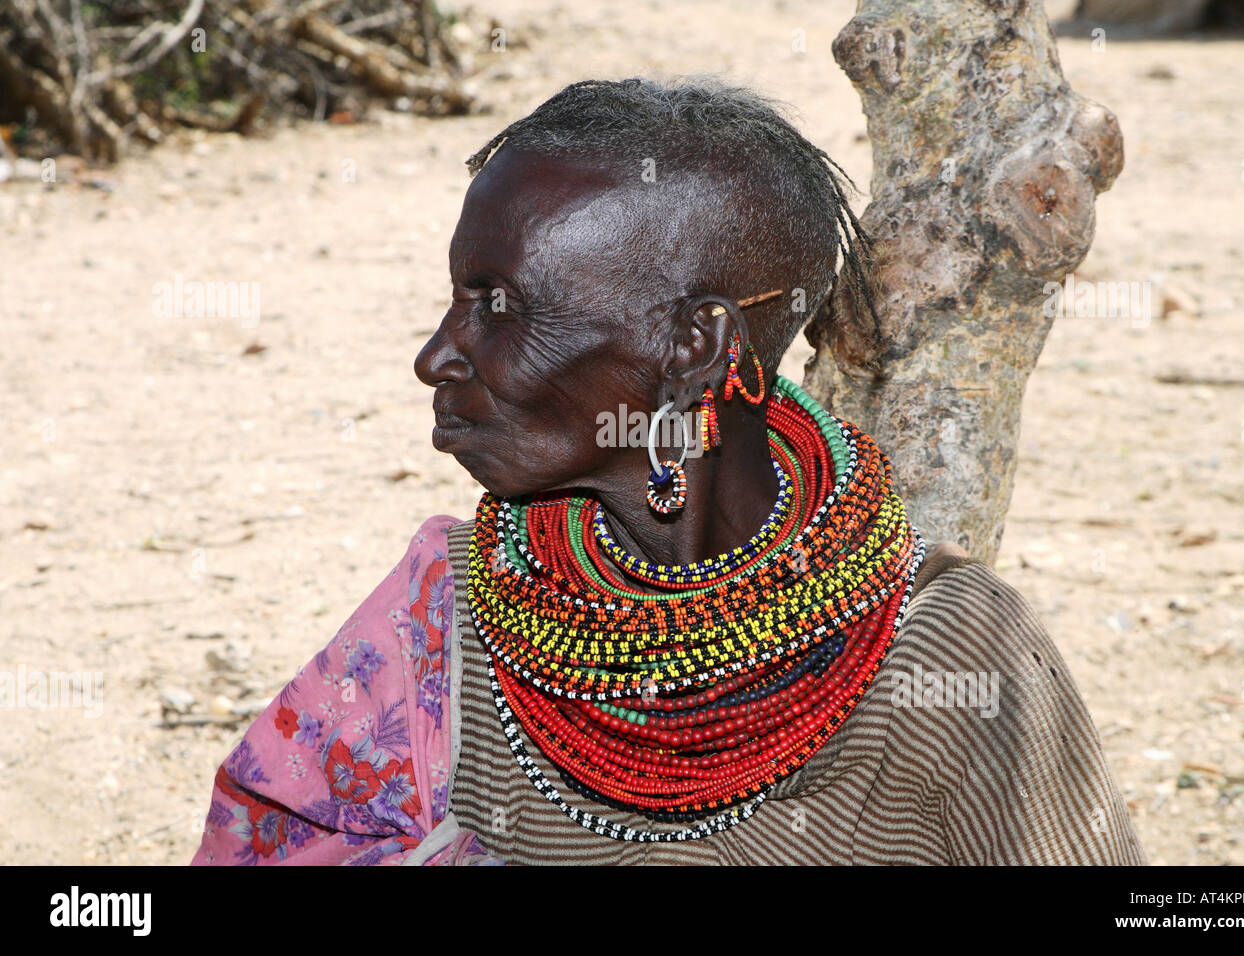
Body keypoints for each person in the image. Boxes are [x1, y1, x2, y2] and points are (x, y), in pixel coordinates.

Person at [192, 78, 1146, 866]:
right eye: (457, 299)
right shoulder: (448, 618)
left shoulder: (946, 648)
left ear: (695, 348)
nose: (438, 356)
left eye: (500, 306)